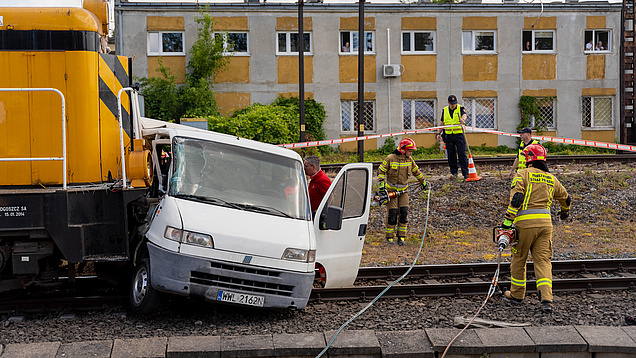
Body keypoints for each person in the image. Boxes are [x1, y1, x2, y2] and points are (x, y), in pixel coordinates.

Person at [500, 143, 571, 313]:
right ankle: (547, 299)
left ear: (529, 159)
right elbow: (566, 199)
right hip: (545, 226)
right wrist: (564, 212)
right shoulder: (550, 178)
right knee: (543, 261)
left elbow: (516, 200)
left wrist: (507, 222)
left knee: (519, 259)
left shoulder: (522, 175)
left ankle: (517, 295)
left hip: (524, 225)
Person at [378, 138, 428, 246]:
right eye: (410, 151)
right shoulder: (390, 158)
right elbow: (381, 170)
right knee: (392, 213)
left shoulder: (409, 160)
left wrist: (423, 182)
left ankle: (401, 237)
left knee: (404, 213)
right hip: (392, 191)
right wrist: (381, 184)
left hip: (404, 192)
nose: (411, 153)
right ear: (403, 150)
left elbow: (416, 171)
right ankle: (389, 238)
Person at [436, 95, 469, 180]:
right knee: (451, 155)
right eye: (452, 104)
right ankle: (454, 173)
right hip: (449, 135)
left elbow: (464, 115)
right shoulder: (445, 110)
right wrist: (438, 133)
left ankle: (465, 173)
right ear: (448, 103)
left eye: (454, 103)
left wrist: (463, 120)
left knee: (462, 154)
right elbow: (442, 122)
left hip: (459, 135)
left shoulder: (460, 108)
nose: (453, 105)